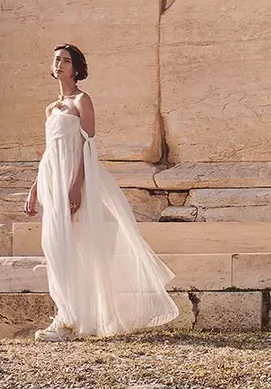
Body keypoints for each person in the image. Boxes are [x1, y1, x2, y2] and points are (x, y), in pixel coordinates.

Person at [24, 44, 179, 341]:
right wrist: (34, 189)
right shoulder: (50, 108)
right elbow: (47, 152)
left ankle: (71, 321)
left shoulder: (83, 101)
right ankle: (65, 315)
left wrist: (76, 184)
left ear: (76, 68)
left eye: (66, 61)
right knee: (54, 247)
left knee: (79, 246)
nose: (59, 64)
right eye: (56, 59)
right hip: (51, 178)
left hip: (73, 177)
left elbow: (88, 146)